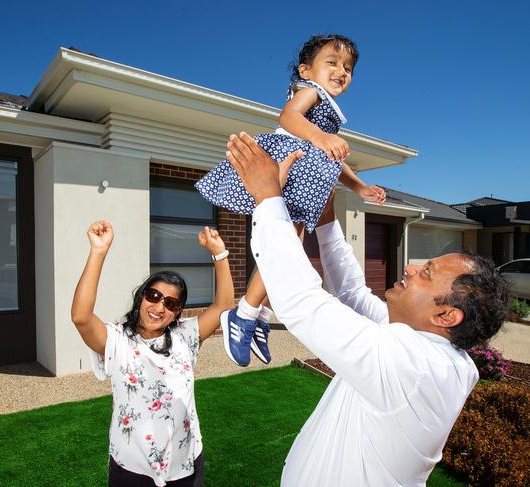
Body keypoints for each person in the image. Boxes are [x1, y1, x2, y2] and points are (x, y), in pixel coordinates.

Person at [224, 132, 509, 486]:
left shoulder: (414, 368)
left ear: (447, 316)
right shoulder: (425, 347)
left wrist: (268, 198)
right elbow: (351, 293)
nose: (410, 268)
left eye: (427, 273)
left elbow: (300, 300)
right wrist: (327, 218)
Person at [195, 34, 385, 367]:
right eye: (332, 62)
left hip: (307, 175)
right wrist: (322, 136)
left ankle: (258, 315)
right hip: (292, 165)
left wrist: (358, 187)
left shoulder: (326, 110)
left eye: (348, 67)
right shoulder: (309, 91)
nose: (342, 71)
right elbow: (288, 118)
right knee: (286, 248)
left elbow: (333, 161)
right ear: (306, 70)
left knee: (288, 252)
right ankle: (243, 314)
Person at [71, 220, 234, 487]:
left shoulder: (185, 336)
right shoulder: (117, 340)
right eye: (153, 295)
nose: (159, 306)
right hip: (132, 467)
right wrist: (98, 252)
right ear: (141, 297)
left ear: (177, 312)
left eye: (170, 303)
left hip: (185, 462)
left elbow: (224, 305)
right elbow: (81, 317)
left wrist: (219, 253)